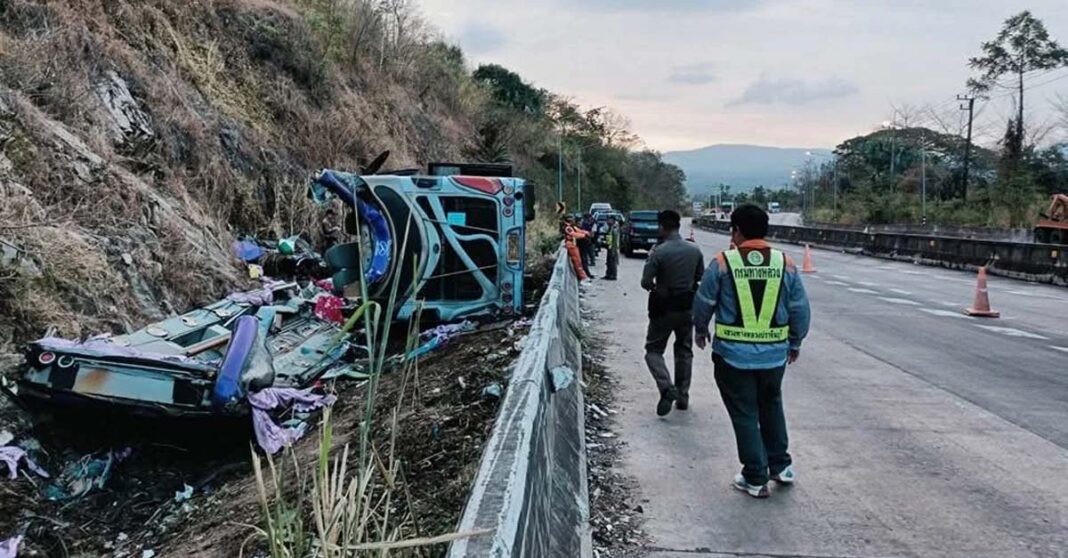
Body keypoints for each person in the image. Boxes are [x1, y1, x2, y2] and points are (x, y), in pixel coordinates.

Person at [692, 204, 811, 499]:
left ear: (737, 230)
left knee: (744, 412)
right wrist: (795, 342)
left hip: (733, 355)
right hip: (774, 356)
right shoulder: (786, 263)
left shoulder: (723, 262)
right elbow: (799, 309)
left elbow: (704, 300)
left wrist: (700, 328)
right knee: (771, 404)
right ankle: (781, 465)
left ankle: (755, 476)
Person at [641, 210, 704, 416]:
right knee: (684, 351)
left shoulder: (658, 252)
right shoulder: (694, 250)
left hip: (663, 309)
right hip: (687, 308)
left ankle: (667, 387)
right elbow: (699, 277)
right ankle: (683, 397)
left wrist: (656, 288)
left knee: (653, 350)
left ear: (662, 227)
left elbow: (646, 282)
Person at [562, 216, 591, 284]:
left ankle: (583, 276)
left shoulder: (572, 227)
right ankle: (582, 277)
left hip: (574, 244)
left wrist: (586, 233)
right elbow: (574, 234)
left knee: (579, 261)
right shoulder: (568, 228)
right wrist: (584, 235)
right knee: (577, 262)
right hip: (570, 245)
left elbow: (579, 231)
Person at [604, 215, 620, 281]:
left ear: (613, 220)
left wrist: (614, 249)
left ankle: (613, 275)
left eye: (609, 220)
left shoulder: (615, 228)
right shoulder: (610, 227)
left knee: (613, 262)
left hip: (613, 247)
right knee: (608, 261)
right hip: (609, 246)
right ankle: (608, 274)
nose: (607, 221)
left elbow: (615, 240)